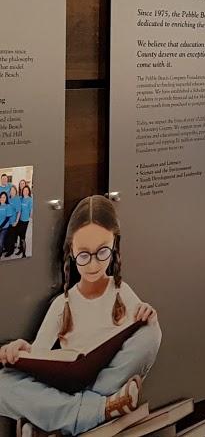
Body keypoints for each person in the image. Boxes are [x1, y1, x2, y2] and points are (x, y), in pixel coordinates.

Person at [0, 195, 160, 435]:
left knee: (151, 332)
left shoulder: (121, 292)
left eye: (102, 252)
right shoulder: (61, 304)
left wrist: (148, 315)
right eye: (84, 255)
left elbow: (140, 343)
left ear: (114, 246)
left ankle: (61, 417)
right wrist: (22, 350)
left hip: (104, 382)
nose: (93, 265)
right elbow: (40, 354)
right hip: (69, 389)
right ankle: (98, 411)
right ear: (71, 252)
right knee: (3, 381)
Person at [8, 183, 31, 258]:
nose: (25, 192)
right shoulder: (21, 198)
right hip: (20, 220)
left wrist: (30, 216)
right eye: (24, 190)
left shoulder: (30, 199)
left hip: (25, 220)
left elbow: (31, 210)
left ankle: (24, 253)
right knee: (19, 235)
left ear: (28, 191)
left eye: (27, 190)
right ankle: (20, 249)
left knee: (23, 237)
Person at [0, 192, 14, 261]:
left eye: (4, 197)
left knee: (0, 241)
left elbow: (7, 218)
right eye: (1, 197)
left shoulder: (8, 206)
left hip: (4, 227)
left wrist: (0, 226)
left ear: (6, 198)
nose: (2, 198)